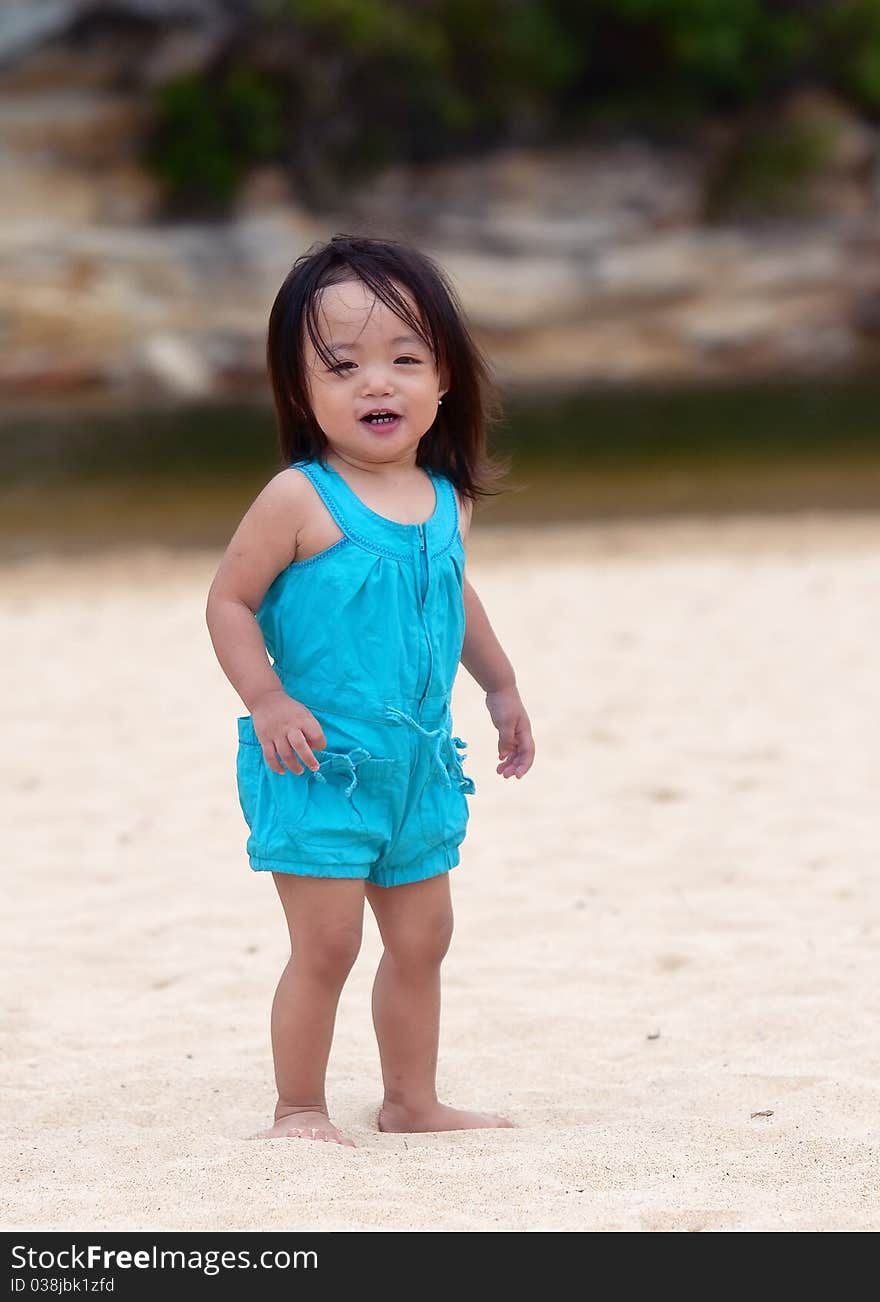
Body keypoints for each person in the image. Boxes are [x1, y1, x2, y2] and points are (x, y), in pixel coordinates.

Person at [205, 233, 535, 1147]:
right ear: (301, 391)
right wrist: (268, 699)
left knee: (425, 939)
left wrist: (500, 686)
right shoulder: (298, 499)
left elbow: (451, 593)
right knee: (329, 945)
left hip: (417, 768)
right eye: (342, 366)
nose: (375, 384)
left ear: (445, 382)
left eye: (404, 359)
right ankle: (298, 1109)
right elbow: (229, 601)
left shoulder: (444, 499)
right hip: (317, 763)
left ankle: (410, 1101)